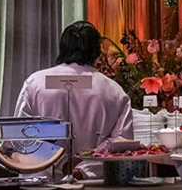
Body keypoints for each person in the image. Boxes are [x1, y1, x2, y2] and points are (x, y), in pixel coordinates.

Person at [14, 20, 133, 161]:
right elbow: (121, 142)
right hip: (94, 177)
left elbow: (20, 134)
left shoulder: (35, 82)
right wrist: (84, 161)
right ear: (98, 51)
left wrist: (54, 160)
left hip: (40, 173)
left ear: (63, 47)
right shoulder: (114, 91)